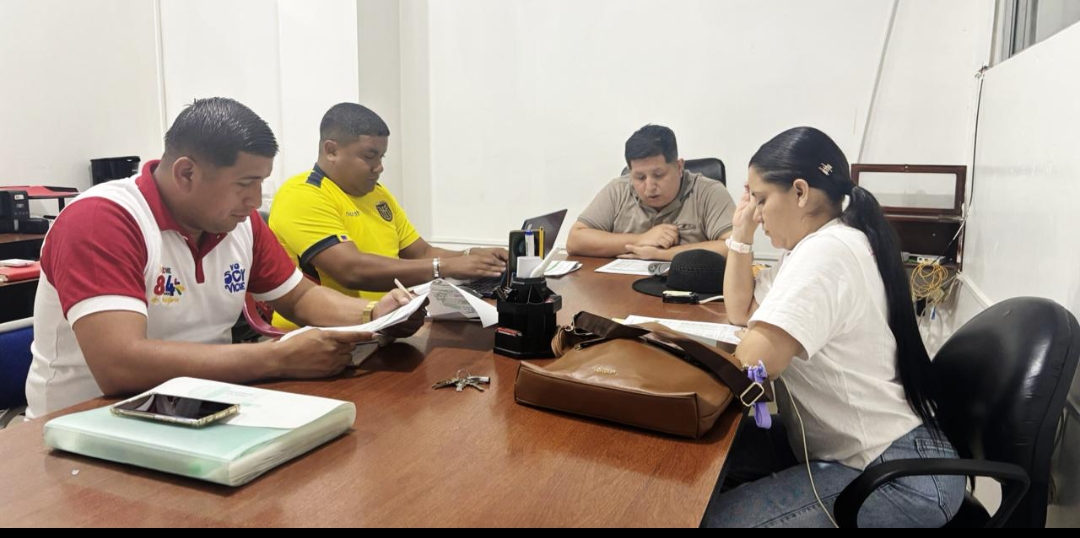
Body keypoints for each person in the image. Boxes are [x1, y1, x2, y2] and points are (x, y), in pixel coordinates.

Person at [24, 97, 424, 419]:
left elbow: (300, 297)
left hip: (204, 409)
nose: (255, 201)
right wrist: (275, 359)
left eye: (261, 183)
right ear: (186, 174)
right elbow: (119, 365)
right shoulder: (103, 220)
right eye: (245, 184)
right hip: (85, 427)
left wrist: (374, 315)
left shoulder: (240, 222)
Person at [705, 127, 965, 528]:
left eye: (761, 199)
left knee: (711, 520)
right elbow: (742, 311)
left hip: (897, 477)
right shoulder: (816, 245)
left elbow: (754, 363)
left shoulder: (827, 253)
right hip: (864, 451)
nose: (756, 213)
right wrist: (740, 236)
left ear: (800, 192)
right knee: (704, 458)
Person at [269, 103, 508, 329]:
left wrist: (472, 257)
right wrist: (444, 267)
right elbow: (351, 270)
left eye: (381, 157)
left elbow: (421, 253)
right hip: (327, 332)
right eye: (369, 156)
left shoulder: (378, 194)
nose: (379, 167)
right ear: (331, 151)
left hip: (389, 323)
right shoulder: (301, 195)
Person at [566, 124, 735, 261]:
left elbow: (734, 247)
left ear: (679, 167)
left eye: (659, 175)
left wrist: (662, 254)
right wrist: (641, 239)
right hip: (621, 286)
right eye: (639, 177)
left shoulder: (708, 192)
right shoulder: (618, 189)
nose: (649, 187)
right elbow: (575, 240)